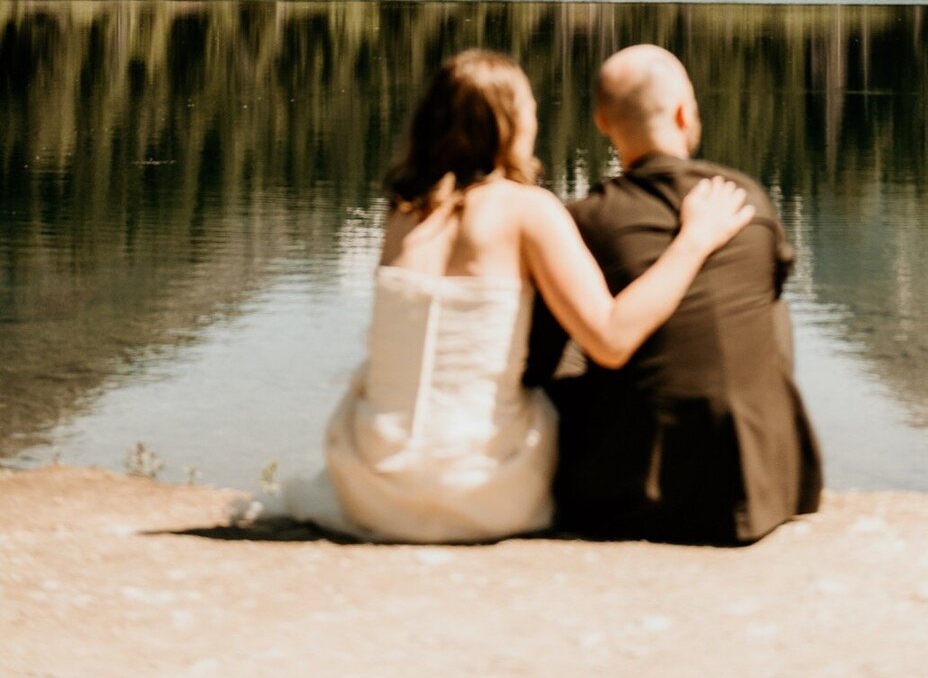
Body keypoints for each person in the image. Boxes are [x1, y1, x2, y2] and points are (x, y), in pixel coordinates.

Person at [284, 48, 754, 543]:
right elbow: (611, 339)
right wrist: (694, 241)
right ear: (510, 123)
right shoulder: (529, 211)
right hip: (483, 493)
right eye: (529, 108)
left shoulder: (402, 214)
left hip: (371, 486)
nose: (535, 119)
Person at [524, 43, 823, 544]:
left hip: (635, 492)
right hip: (768, 487)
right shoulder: (745, 198)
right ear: (685, 114)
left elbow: (537, 363)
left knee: (570, 334)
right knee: (767, 305)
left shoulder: (581, 221)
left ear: (602, 122)